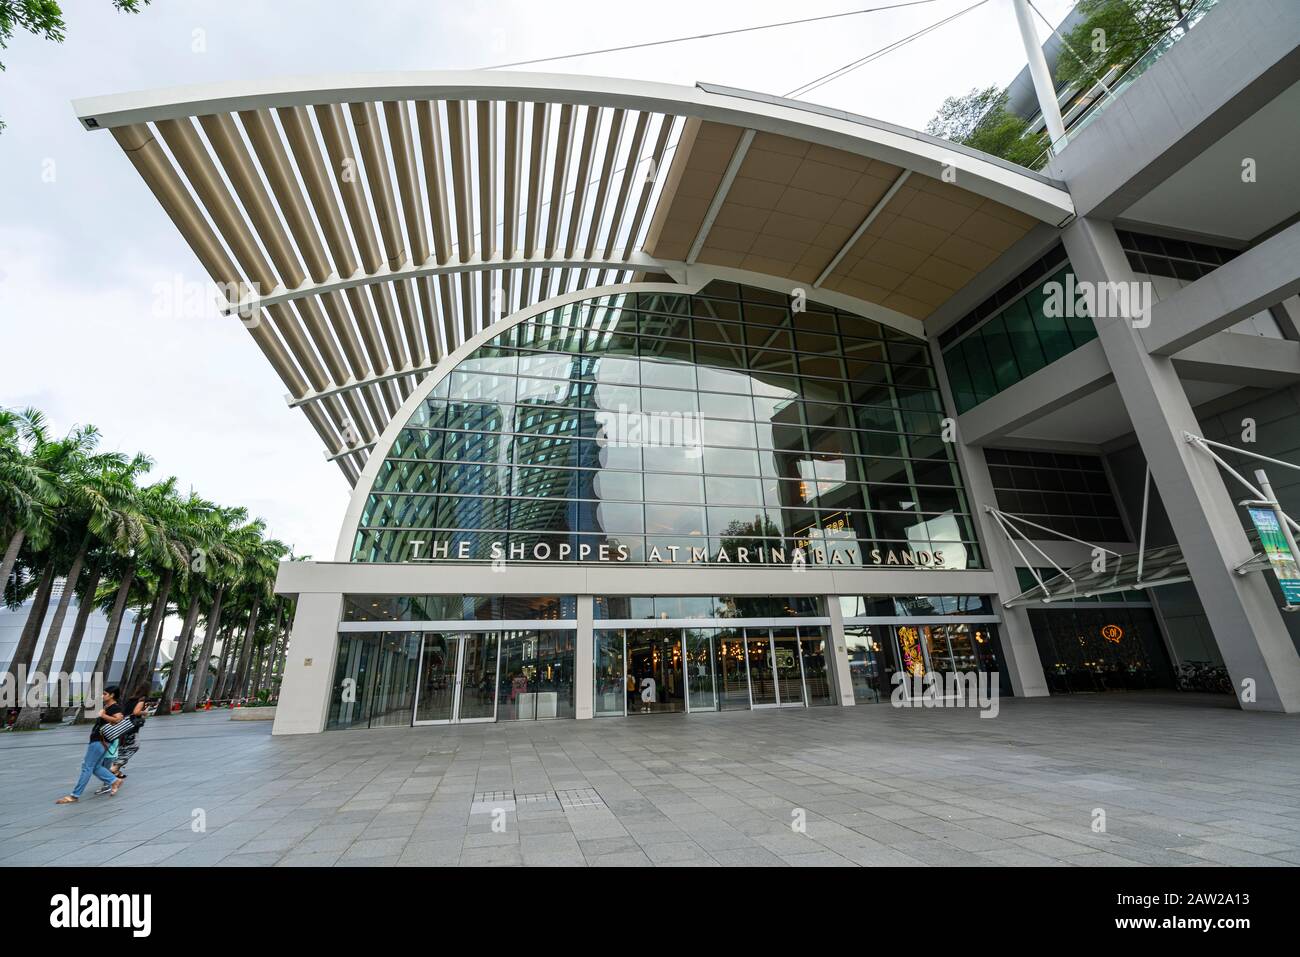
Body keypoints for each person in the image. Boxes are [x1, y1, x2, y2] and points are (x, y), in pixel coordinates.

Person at [56, 685, 126, 804]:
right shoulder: (108, 706)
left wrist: (103, 715)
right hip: (100, 740)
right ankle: (114, 781)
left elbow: (118, 720)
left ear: (112, 695)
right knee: (96, 767)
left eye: (104, 694)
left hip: (100, 740)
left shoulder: (114, 707)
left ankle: (74, 795)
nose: (102, 696)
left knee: (87, 767)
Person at [109, 682, 150, 779]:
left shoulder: (131, 699)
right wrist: (145, 712)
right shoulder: (142, 699)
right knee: (134, 746)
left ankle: (117, 772)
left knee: (123, 748)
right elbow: (136, 712)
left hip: (123, 727)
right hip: (131, 728)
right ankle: (114, 767)